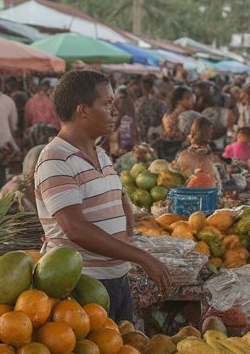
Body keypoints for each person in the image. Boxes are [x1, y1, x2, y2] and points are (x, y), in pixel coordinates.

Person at [34, 70, 170, 322]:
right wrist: (141, 256)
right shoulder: (55, 159)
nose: (115, 111)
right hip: (84, 284)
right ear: (83, 110)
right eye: (107, 104)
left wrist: (128, 236)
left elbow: (120, 197)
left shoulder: (101, 154)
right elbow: (75, 228)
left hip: (117, 277)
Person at [161, 87, 198, 160]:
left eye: (191, 98)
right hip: (179, 149)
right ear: (178, 102)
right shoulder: (185, 114)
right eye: (187, 98)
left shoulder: (167, 114)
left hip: (166, 148)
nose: (192, 101)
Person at [110, 88, 137, 160]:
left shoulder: (122, 100)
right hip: (130, 135)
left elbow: (120, 116)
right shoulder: (130, 101)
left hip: (125, 137)